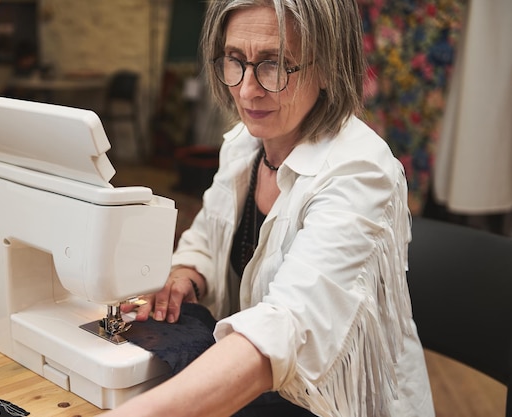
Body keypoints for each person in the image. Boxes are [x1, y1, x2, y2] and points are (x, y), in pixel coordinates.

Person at [111, 1, 435, 416]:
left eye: (275, 65)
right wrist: (188, 272)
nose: (247, 90)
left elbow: (288, 328)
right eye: (235, 61)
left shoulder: (361, 172)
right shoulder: (245, 144)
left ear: (328, 66)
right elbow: (209, 235)